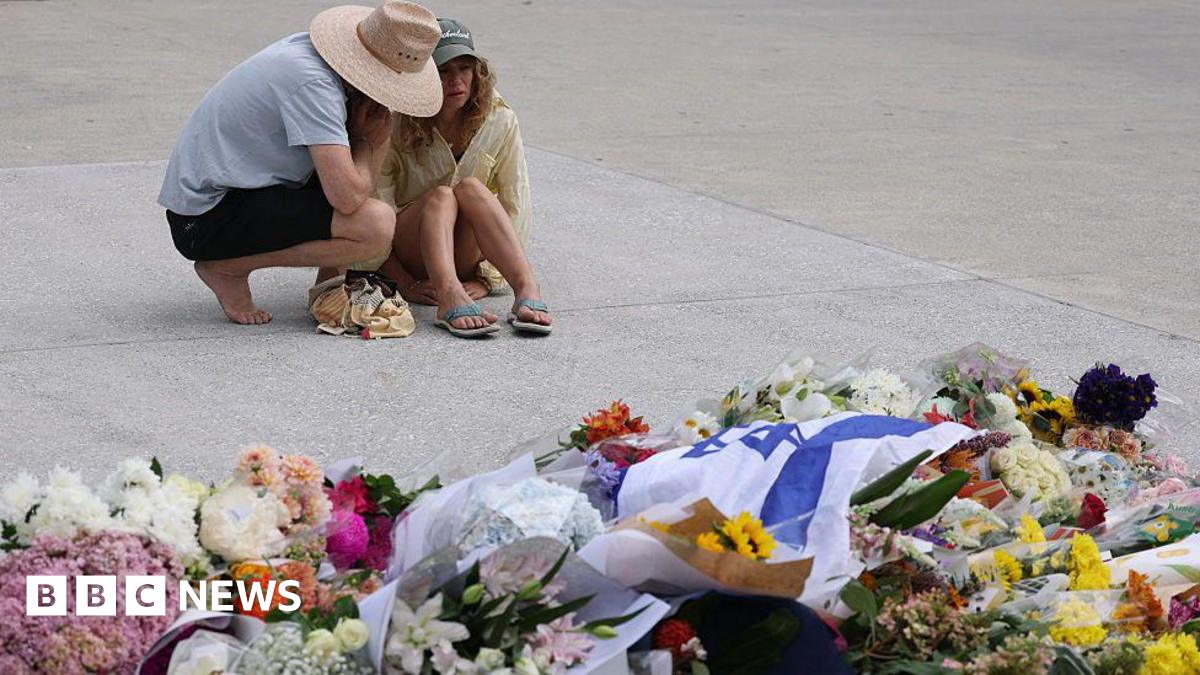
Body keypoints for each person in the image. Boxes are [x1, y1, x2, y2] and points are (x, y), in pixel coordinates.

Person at [158, 1, 443, 325]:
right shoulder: (314, 84)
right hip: (202, 218)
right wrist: (368, 141)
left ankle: (328, 283)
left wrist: (370, 132)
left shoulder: (319, 63)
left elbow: (358, 188)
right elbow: (349, 198)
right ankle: (227, 267)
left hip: (236, 194)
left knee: (358, 201)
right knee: (374, 226)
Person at [365, 18, 553, 337]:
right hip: (413, 249)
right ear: (423, 77)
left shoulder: (500, 119)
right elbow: (376, 207)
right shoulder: (396, 123)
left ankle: (527, 286)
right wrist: (404, 282)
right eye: (443, 71)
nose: (456, 81)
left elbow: (515, 202)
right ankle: (449, 296)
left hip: (466, 251)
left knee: (472, 189)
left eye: (464, 68)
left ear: (477, 73)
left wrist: (487, 278)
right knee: (441, 195)